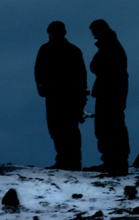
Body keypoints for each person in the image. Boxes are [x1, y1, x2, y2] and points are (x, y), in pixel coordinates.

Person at [34, 21, 87, 171]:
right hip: (53, 96)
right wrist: (41, 87)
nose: (53, 35)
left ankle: (73, 162)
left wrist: (81, 99)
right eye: (51, 32)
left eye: (56, 32)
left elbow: (81, 77)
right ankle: (63, 160)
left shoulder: (73, 51)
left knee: (70, 130)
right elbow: (38, 70)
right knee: (56, 130)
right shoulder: (45, 50)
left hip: (70, 98)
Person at [84, 19, 130, 175]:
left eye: (94, 31)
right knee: (109, 127)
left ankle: (115, 162)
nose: (93, 35)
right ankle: (113, 161)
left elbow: (98, 66)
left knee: (110, 127)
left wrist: (102, 72)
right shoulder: (110, 45)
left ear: (101, 29)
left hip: (111, 93)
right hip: (111, 92)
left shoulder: (110, 46)